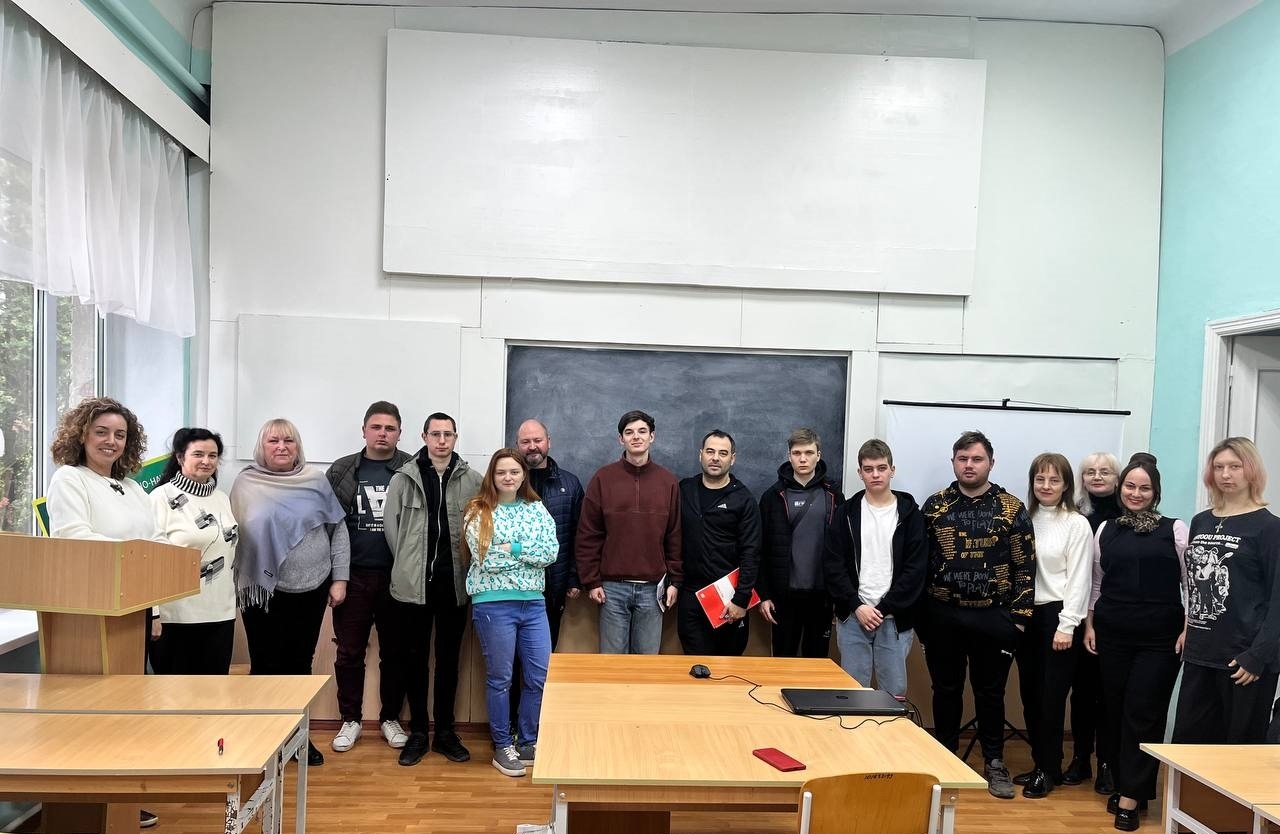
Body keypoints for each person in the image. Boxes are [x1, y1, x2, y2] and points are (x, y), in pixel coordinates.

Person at [46, 396, 163, 829]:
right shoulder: (69, 479)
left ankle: (123, 797)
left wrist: (155, 610)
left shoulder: (132, 488)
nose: (111, 441)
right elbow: (74, 538)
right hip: (89, 614)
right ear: (81, 435)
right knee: (94, 714)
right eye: (101, 432)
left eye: (120, 435)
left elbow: (156, 548)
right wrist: (136, 554)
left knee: (129, 711)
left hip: (131, 612)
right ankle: (92, 799)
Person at [917, 430, 1035, 801]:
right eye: (963, 459)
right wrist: (922, 618)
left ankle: (995, 761)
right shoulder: (935, 506)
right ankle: (945, 757)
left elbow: (1025, 566)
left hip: (993, 618)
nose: (969, 465)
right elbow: (918, 563)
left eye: (977, 459)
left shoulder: (1011, 508)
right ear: (953, 462)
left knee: (990, 692)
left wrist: (1018, 620)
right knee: (945, 689)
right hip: (942, 616)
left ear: (991, 463)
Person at [231, 417, 349, 768]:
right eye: (273, 441)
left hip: (311, 587)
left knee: (299, 666)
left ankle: (298, 738)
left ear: (298, 447)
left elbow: (338, 531)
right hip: (262, 591)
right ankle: (265, 740)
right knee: (265, 665)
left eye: (288, 440)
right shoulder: (245, 483)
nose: (281, 447)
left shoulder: (315, 480)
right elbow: (233, 537)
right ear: (261, 447)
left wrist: (340, 578)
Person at [1083, 453, 1187, 832]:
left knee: (1144, 712)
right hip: (1112, 633)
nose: (1136, 493)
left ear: (1155, 492)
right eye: (1130, 486)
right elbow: (1097, 582)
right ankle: (1131, 785)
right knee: (1115, 710)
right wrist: (1090, 624)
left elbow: (1190, 584)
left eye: (1145, 488)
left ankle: (1130, 796)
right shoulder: (1106, 529)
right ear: (1121, 488)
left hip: (1160, 639)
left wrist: (1188, 628)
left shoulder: (1175, 530)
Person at [384, 412, 482, 765]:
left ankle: (444, 732)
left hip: (454, 585)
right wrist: (408, 566)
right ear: (424, 436)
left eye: (448, 434)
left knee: (449, 660)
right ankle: (418, 733)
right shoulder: (404, 478)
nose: (442, 440)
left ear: (456, 437)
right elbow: (392, 530)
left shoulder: (473, 480)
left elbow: (480, 529)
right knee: (415, 660)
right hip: (413, 586)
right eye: (435, 434)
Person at [1173, 437, 1280, 745]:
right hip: (1201, 653)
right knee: (1189, 745)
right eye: (1219, 467)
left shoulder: (1269, 527)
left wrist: (1258, 656)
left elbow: (1277, 599)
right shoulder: (1201, 521)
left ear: (1252, 470)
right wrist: (1188, 629)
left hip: (1244, 659)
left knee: (1237, 751)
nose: (1225, 474)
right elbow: (1194, 585)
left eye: (1235, 466)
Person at [463, 448, 558, 777]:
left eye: (514, 472)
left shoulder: (536, 508)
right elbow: (485, 558)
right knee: (501, 678)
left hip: (533, 603)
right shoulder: (478, 510)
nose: (508, 477)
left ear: (523, 475)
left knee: (538, 677)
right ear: (492, 475)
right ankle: (502, 745)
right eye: (501, 472)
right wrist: (526, 553)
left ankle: (527, 741)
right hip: (493, 603)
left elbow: (550, 552)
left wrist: (512, 547)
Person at [325, 402, 413, 753]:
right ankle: (351, 720)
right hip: (353, 576)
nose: (382, 434)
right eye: (376, 427)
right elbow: (328, 525)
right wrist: (336, 576)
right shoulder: (342, 470)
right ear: (364, 431)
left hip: (397, 577)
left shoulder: (411, 468)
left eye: (390, 428)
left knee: (396, 652)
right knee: (349, 652)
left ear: (399, 433)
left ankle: (390, 718)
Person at [1012, 453, 1092, 799]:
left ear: (1066, 485)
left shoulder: (1076, 524)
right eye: (1040, 479)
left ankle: (1046, 769)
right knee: (1030, 695)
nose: (1046, 486)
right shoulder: (1024, 519)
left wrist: (1067, 624)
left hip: (1058, 617)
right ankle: (1045, 764)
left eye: (1054, 480)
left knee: (1051, 697)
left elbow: (1080, 579)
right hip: (1025, 616)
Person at [823, 438, 926, 697]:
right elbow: (834, 565)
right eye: (868, 469)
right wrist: (857, 606)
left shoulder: (911, 515)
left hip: (894, 618)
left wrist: (883, 609)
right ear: (860, 473)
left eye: (881, 468)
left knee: (893, 694)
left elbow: (915, 570)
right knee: (852, 692)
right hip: (853, 616)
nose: (875, 474)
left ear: (892, 470)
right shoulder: (846, 513)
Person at [575, 410, 682, 654]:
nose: (636, 437)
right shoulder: (603, 478)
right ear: (620, 439)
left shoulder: (668, 482)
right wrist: (591, 581)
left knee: (647, 662)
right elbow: (588, 534)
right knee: (612, 663)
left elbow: (674, 535)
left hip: (653, 589)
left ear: (652, 436)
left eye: (642, 431)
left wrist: (675, 581)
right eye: (629, 432)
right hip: (611, 588)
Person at [509, 419, 584, 733]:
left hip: (552, 589)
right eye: (525, 441)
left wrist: (574, 578)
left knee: (541, 662)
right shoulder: (508, 481)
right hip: (511, 588)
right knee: (510, 663)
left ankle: (535, 726)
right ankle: (510, 725)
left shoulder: (570, 484)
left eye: (537, 440)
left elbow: (580, 535)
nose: (532, 447)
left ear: (548, 441)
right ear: (518, 445)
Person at [149, 427, 239, 676]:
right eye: (198, 454)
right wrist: (153, 614)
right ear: (180, 457)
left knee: (215, 692)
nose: (206, 461)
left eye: (212, 455)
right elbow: (149, 559)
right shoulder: (160, 498)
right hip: (176, 617)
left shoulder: (222, 498)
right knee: (175, 694)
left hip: (220, 613)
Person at [758, 428, 844, 658]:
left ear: (819, 455)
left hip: (821, 597)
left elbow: (843, 550)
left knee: (816, 661)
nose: (803, 459)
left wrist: (839, 597)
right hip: (783, 597)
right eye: (797, 453)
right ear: (789, 456)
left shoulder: (834, 495)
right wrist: (764, 594)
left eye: (808, 453)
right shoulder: (773, 496)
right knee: (782, 660)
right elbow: (760, 549)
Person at [676, 430, 762, 656]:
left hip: (729, 597)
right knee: (694, 666)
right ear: (700, 455)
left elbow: (751, 553)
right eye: (710, 451)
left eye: (723, 453)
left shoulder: (743, 499)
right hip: (690, 596)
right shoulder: (684, 490)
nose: (715, 458)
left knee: (727, 666)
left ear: (732, 458)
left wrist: (741, 599)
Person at [1068, 451, 1123, 794]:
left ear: (1118, 478)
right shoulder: (1074, 514)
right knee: (1082, 693)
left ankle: (1106, 762)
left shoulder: (1127, 515)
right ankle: (1079, 758)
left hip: (1113, 616)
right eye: (1090, 472)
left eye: (1105, 472)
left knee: (1109, 693)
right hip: (1077, 615)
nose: (1097, 477)